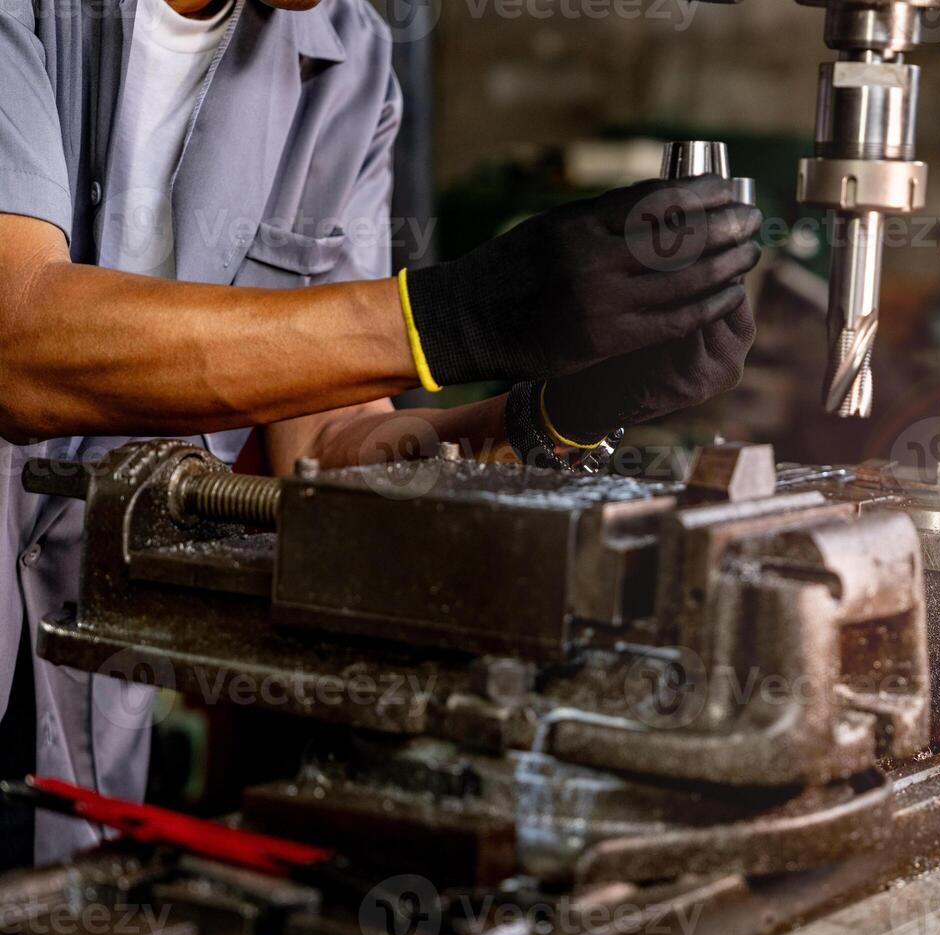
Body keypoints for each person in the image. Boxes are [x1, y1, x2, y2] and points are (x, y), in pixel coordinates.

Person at [0, 0, 762, 866]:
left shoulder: (347, 59)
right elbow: (17, 343)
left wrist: (556, 414)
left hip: (84, 708)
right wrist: (453, 318)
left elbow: (327, 445)